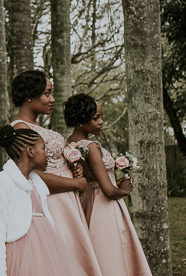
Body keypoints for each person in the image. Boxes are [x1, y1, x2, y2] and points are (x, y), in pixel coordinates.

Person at [10, 70, 102, 275]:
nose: (52, 99)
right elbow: (29, 174)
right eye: (47, 94)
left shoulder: (34, 126)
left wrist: (73, 166)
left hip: (67, 199)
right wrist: (75, 184)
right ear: (29, 96)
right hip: (53, 201)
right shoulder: (19, 129)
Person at [0, 126, 87, 276]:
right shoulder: (3, 182)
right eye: (43, 148)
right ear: (30, 151)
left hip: (43, 250)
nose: (46, 153)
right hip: (16, 254)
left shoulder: (36, 183)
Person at [65, 93, 152, 276]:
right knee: (111, 255)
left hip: (87, 203)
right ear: (81, 120)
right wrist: (124, 191)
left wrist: (112, 179)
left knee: (95, 254)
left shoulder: (69, 143)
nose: (101, 122)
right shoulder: (91, 146)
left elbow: (93, 177)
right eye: (96, 118)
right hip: (104, 207)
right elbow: (108, 191)